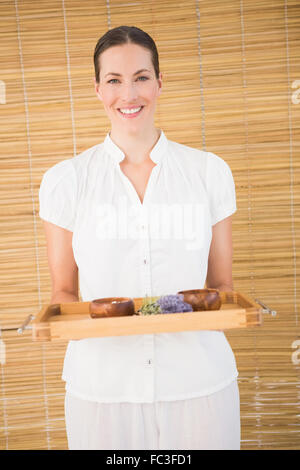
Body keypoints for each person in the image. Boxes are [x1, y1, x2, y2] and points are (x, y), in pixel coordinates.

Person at [39, 25, 240, 450]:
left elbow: (221, 287)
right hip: (103, 393)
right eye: (114, 80)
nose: (128, 94)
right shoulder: (66, 181)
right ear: (97, 89)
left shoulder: (209, 173)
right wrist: (62, 325)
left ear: (160, 83)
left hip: (198, 385)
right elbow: (63, 291)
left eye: (141, 77)